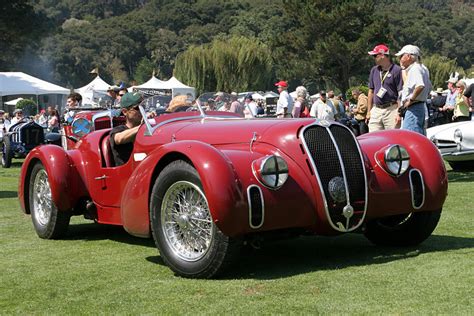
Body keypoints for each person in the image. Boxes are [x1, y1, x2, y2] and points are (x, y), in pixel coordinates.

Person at [396, 44, 432, 135]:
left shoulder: (415, 69)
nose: (399, 59)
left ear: (408, 56)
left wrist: (411, 100)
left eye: (401, 56)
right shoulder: (423, 68)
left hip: (413, 108)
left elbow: (420, 85)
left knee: (410, 137)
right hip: (419, 107)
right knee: (419, 136)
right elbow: (428, 87)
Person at [366, 44, 403, 132]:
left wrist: (399, 113)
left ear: (382, 55)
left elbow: (400, 93)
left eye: (375, 56)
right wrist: (368, 111)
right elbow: (371, 91)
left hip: (391, 109)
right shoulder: (374, 70)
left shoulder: (397, 70)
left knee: (392, 137)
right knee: (374, 138)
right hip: (376, 109)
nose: (374, 58)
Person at [109, 92, 144, 166]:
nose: (141, 110)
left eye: (143, 106)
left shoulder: (146, 128)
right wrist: (142, 126)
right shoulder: (118, 130)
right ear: (125, 112)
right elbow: (119, 139)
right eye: (137, 108)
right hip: (126, 174)